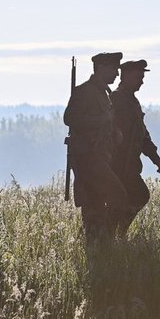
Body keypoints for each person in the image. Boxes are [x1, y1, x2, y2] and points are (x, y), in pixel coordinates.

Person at [63, 52, 127, 239]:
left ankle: (95, 244)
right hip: (88, 158)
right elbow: (70, 118)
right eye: (114, 68)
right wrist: (100, 120)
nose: (117, 73)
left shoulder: (104, 93)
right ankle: (105, 239)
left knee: (96, 204)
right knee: (117, 196)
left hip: (101, 156)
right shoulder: (84, 91)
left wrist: (114, 132)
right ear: (102, 68)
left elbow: (107, 122)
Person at [110, 59, 160, 236]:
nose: (142, 81)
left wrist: (154, 156)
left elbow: (141, 133)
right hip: (117, 163)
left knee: (134, 197)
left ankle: (115, 233)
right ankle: (113, 233)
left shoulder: (132, 101)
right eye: (138, 77)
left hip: (129, 163)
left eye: (142, 77)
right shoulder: (117, 100)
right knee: (136, 196)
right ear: (126, 77)